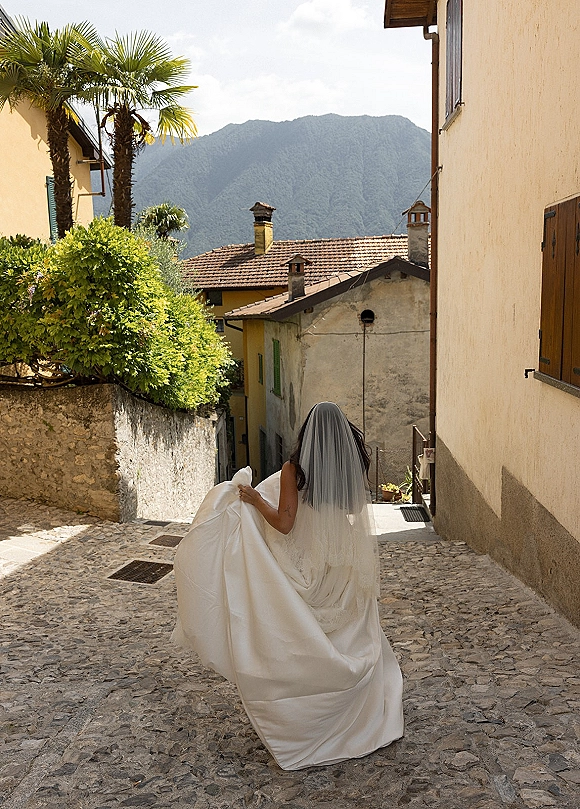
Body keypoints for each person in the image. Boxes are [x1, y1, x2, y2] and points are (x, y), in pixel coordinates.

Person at [172, 402, 403, 770]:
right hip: (341, 559)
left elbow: (284, 524)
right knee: (351, 636)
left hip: (308, 559)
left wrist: (254, 498)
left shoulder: (294, 470)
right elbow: (354, 512)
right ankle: (359, 716)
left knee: (299, 635)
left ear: (307, 432)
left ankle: (301, 721)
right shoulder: (352, 466)